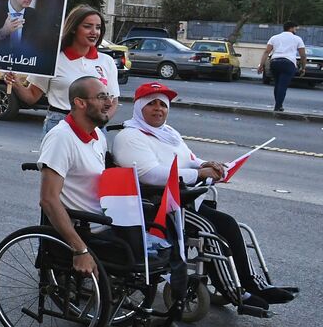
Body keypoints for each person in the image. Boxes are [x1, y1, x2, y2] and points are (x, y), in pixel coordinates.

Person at [111, 81, 295, 308]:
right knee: (208, 230)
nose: (159, 109)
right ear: (140, 107)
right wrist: (198, 173)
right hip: (156, 205)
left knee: (229, 224)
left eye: (163, 104)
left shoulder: (168, 133)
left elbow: (189, 158)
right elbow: (150, 174)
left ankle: (254, 283)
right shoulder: (130, 137)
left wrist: (208, 164)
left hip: (183, 200)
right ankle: (235, 293)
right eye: (152, 104)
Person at [37, 76, 116, 277]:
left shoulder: (98, 136)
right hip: (85, 228)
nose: (109, 103)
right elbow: (48, 200)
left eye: (109, 96)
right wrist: (79, 249)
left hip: (107, 220)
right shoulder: (61, 138)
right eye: (101, 97)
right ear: (80, 103)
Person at [4, 4, 119, 134]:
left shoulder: (106, 61)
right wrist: (15, 83)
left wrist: (102, 120)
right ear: (74, 28)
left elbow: (113, 100)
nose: (94, 32)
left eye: (98, 27)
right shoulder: (52, 59)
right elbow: (31, 97)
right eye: (87, 26)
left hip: (95, 128)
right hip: (59, 123)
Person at [259, 22, 307, 113]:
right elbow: (303, 55)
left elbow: (266, 52)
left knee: (277, 84)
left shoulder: (274, 37)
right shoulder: (297, 39)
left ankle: (279, 104)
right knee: (283, 85)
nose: (295, 30)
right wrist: (303, 67)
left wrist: (261, 65)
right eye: (295, 29)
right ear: (291, 28)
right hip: (288, 63)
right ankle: (277, 107)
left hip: (275, 62)